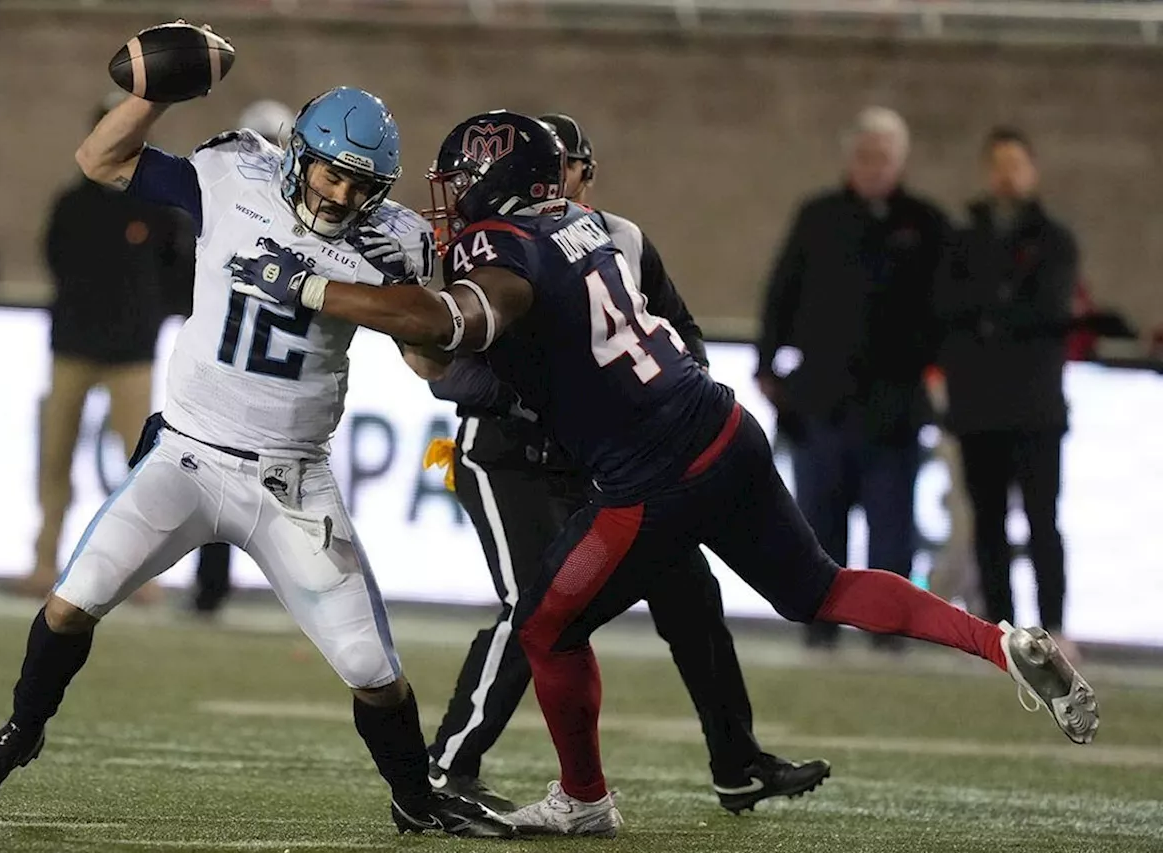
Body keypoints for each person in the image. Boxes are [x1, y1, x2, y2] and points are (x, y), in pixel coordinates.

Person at [227, 109, 1099, 837]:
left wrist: (306, 287)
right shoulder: (586, 226)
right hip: (723, 427)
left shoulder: (509, 251)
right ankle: (997, 641)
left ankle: (583, 797)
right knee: (821, 587)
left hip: (649, 478)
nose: (448, 200)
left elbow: (457, 328)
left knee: (544, 627)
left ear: (492, 179)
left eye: (458, 181)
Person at [0, 75, 511, 839]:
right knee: (71, 601)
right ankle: (23, 727)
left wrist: (437, 325)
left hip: (291, 478)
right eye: (331, 172)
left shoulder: (394, 240)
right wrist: (154, 92)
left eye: (360, 183)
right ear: (297, 156)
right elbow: (102, 160)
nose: (341, 195)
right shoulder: (230, 171)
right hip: (187, 453)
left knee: (372, 672)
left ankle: (414, 795)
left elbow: (428, 365)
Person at [421, 111, 829, 816]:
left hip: (610, 462)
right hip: (508, 451)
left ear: (581, 171)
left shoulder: (619, 239)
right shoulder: (491, 245)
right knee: (534, 607)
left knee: (691, 594)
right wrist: (554, 397)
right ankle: (448, 765)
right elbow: (451, 371)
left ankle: (736, 759)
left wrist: (662, 402)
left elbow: (679, 329)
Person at [756, 107, 949, 651]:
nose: (873, 166)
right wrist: (768, 365)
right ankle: (821, 627)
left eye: (883, 157)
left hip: (897, 404)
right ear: (851, 159)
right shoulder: (818, 216)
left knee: (892, 527)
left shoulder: (928, 224)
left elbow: (945, 312)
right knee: (818, 523)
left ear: (900, 161)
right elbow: (781, 293)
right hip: (822, 399)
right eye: (865, 155)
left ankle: (890, 630)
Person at [17, 91, 193, 602]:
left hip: (131, 356)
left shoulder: (159, 208)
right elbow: (56, 258)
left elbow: (178, 274)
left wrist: (150, 315)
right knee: (54, 459)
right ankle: (44, 562)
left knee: (139, 468)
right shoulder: (73, 203)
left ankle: (140, 573)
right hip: (72, 347)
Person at [935, 127, 1079, 655]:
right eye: (998, 164)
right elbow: (945, 305)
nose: (1007, 174)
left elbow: (1049, 311)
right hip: (978, 407)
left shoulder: (1055, 240)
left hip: (1036, 407)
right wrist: (994, 314)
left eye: (1017, 164)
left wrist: (989, 316)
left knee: (1043, 520)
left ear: (1032, 171)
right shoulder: (963, 237)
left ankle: (1055, 627)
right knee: (988, 523)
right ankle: (998, 629)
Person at [191, 98, 296, 617]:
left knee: (288, 498)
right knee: (202, 478)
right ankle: (209, 589)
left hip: (283, 389)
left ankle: (312, 596)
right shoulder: (227, 198)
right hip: (226, 373)